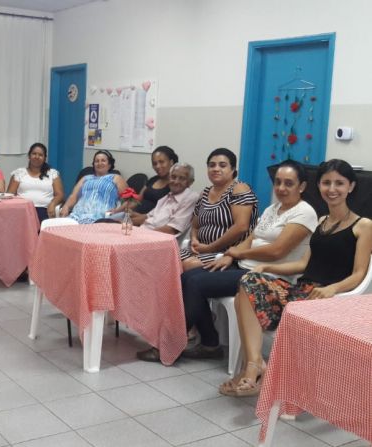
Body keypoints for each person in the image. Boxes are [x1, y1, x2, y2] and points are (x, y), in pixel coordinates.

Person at [137, 160, 318, 363]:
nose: (281, 188)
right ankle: (210, 342)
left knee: (197, 284)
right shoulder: (273, 209)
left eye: (289, 183)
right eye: (278, 182)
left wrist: (236, 254)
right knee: (186, 277)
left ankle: (169, 345)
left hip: (268, 275)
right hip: (244, 266)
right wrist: (231, 255)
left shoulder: (305, 212)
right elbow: (251, 239)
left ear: (301, 186)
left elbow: (277, 251)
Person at [220, 159, 372, 397]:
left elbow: (360, 274)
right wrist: (265, 267)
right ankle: (256, 363)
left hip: (326, 298)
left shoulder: (364, 225)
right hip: (301, 290)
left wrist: (333, 288)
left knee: (245, 294)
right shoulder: (322, 222)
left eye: (339, 183)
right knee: (248, 282)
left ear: (351, 186)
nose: (332, 189)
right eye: (326, 183)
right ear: (319, 186)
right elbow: (303, 264)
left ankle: (253, 369)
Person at [180, 148, 258, 272]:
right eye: (211, 165)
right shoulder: (204, 193)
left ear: (232, 169)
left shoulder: (239, 189)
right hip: (201, 249)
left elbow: (241, 226)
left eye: (222, 165)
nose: (216, 169)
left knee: (189, 265)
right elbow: (195, 226)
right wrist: (194, 240)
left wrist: (209, 248)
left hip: (227, 253)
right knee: (169, 259)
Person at [60, 150, 128, 223]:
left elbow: (130, 200)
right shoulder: (85, 178)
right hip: (77, 215)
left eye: (103, 161)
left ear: (109, 164)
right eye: (96, 161)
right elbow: (73, 196)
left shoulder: (116, 178)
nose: (99, 163)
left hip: (101, 218)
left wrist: (117, 210)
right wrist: (66, 206)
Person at [7, 143, 64, 222]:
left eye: (40, 155)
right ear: (29, 156)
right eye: (34, 154)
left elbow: (59, 195)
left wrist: (53, 204)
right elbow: (10, 195)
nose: (37, 157)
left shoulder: (52, 173)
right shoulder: (19, 173)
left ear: (44, 158)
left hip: (45, 210)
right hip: (23, 211)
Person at [136, 162, 199, 234]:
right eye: (173, 177)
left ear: (190, 182)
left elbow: (171, 229)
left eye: (182, 178)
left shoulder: (191, 198)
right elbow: (147, 217)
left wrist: (142, 234)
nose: (176, 182)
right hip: (144, 232)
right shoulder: (168, 196)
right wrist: (126, 221)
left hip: (157, 239)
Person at [130, 146, 179, 221]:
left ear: (171, 162)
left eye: (161, 162)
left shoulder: (175, 185)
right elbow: (137, 200)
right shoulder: (153, 179)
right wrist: (121, 210)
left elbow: (165, 216)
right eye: (154, 163)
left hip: (148, 223)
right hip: (133, 217)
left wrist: (136, 217)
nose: (158, 166)